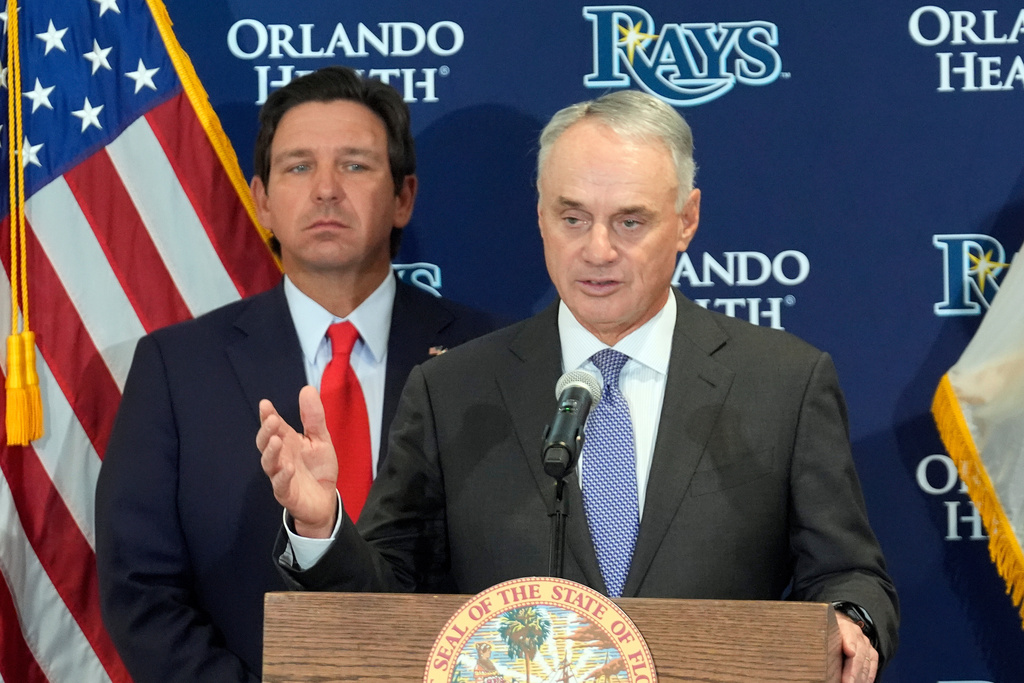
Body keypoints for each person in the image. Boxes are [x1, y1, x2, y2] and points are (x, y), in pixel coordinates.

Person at [257, 90, 899, 683]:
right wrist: (320, 527)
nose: (597, 250)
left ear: (686, 219)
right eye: (573, 218)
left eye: (629, 222)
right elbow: (387, 604)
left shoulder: (782, 383)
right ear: (540, 216)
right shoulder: (452, 390)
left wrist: (850, 621)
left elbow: (848, 573)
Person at [94, 66, 500, 682]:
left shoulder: (490, 355)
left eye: (357, 164)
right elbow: (142, 587)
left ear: (403, 198)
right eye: (299, 166)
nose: (327, 190)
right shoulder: (177, 369)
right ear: (261, 198)